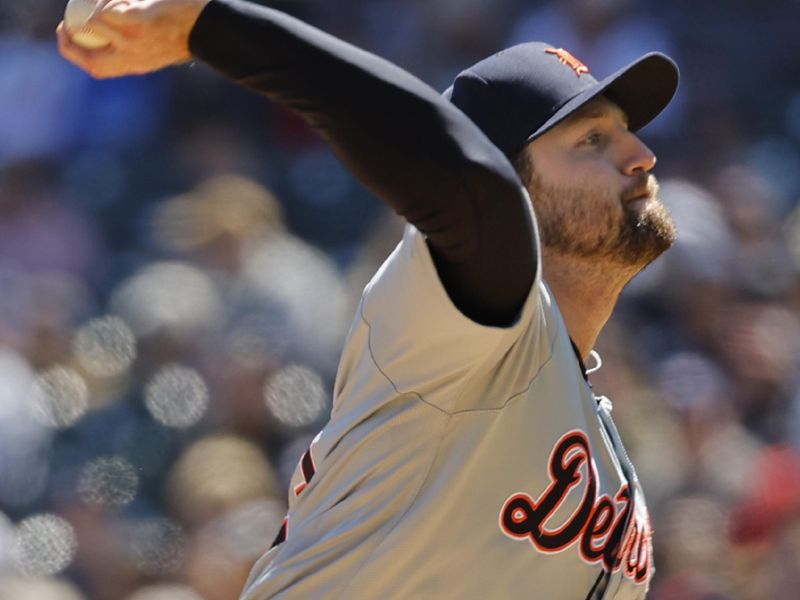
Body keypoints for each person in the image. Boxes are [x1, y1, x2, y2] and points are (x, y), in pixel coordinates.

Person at [58, 1, 679, 598]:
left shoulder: (593, 430)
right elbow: (473, 192)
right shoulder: (465, 319)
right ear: (516, 187)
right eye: (591, 141)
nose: (641, 155)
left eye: (625, 132)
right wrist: (214, 30)